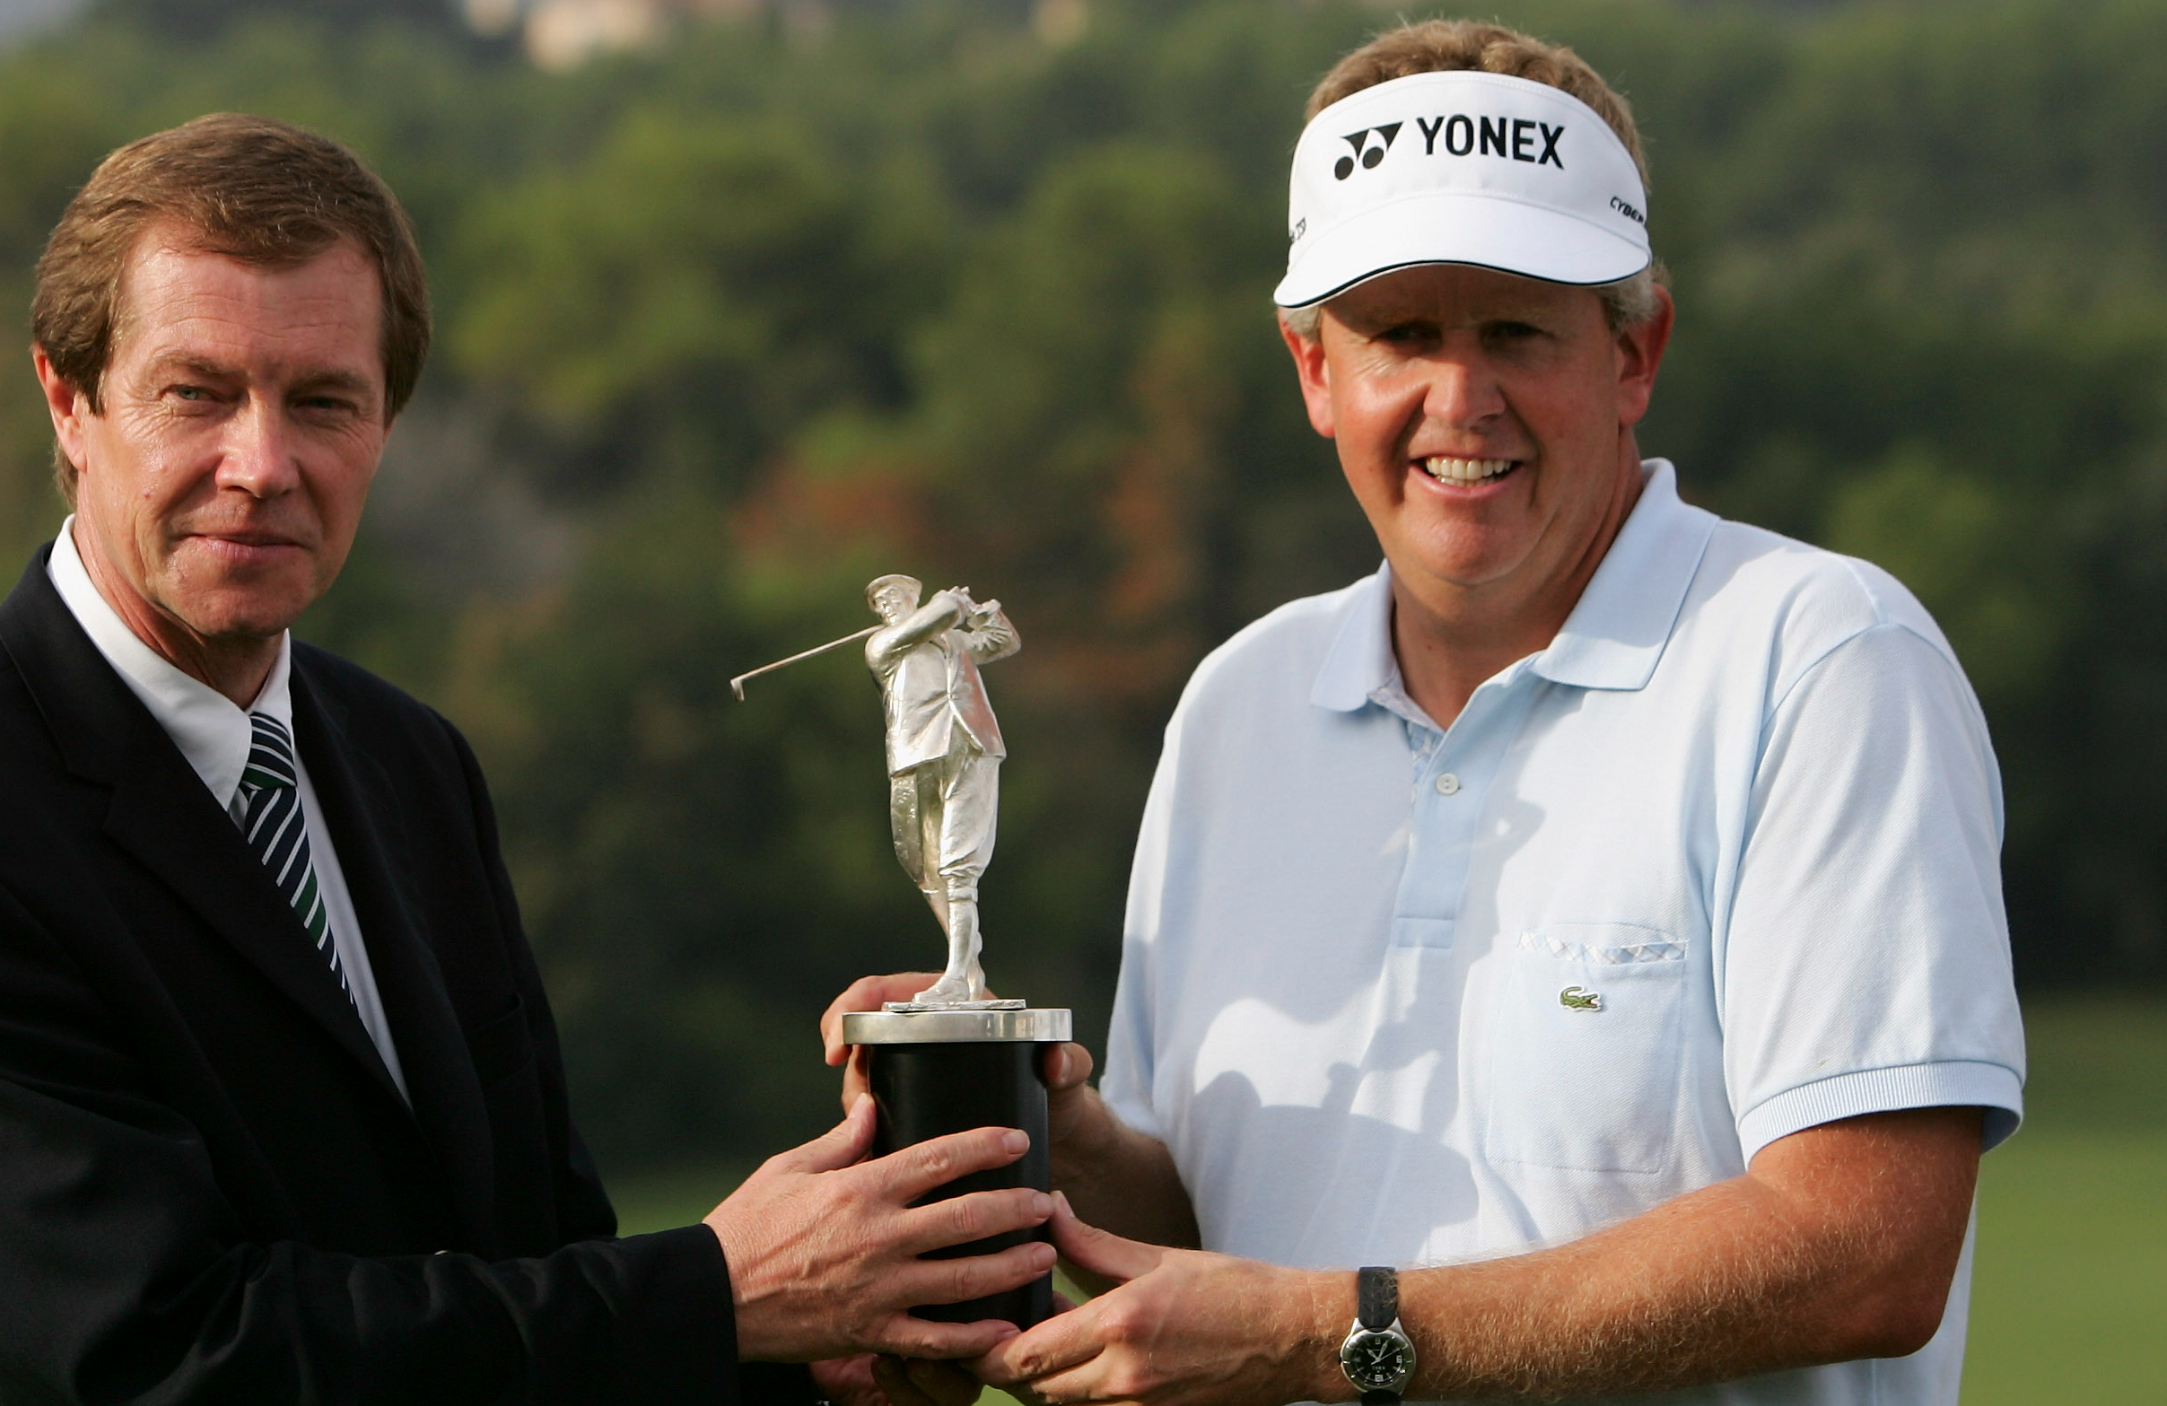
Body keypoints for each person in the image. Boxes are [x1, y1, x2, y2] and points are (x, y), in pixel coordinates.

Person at [825, 20, 2024, 1406]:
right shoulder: (1239, 705)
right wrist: (1059, 1138)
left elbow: (1867, 1244)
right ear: (1315, 373)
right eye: (1400, 333)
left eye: (1517, 326)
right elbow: (1232, 1241)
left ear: (1635, 353)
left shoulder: (1821, 660)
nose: (1462, 399)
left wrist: (1334, 1333)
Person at [0, 113, 1052, 1406]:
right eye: (197, 392)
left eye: (323, 399)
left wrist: (812, 1355)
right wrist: (717, 1293)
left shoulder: (407, 761)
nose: (263, 464)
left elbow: (536, 1272)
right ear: (69, 398)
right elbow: (164, 1359)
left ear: (387, 418)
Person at [863, 576, 1021, 1007]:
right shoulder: (883, 645)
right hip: (916, 757)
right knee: (921, 864)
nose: (887, 606)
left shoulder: (952, 641)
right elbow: (943, 613)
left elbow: (1002, 642)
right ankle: (967, 963)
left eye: (894, 597)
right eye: (880, 602)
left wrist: (983, 611)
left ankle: (957, 975)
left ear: (911, 598)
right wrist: (949, 603)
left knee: (958, 867)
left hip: (972, 745)